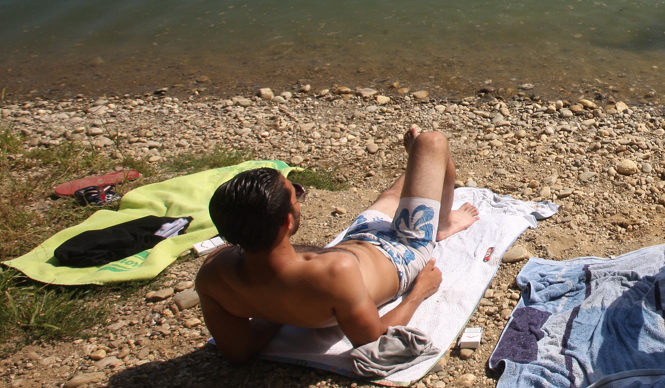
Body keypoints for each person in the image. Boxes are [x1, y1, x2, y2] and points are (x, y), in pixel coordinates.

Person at [196, 127, 478, 364]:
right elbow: (374, 340)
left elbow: (238, 351)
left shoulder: (213, 276)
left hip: (357, 237)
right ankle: (442, 223)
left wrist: (277, 312)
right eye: (296, 193)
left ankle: (419, 163)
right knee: (432, 142)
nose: (298, 194)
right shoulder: (334, 274)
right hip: (402, 249)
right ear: (285, 223)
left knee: (394, 192)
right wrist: (418, 292)